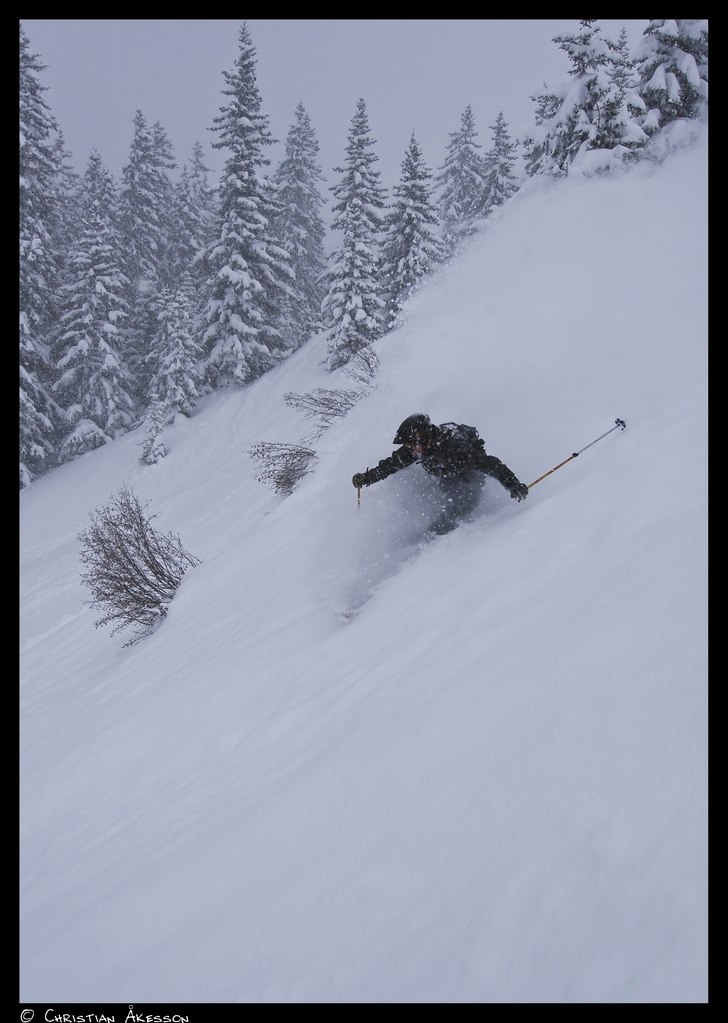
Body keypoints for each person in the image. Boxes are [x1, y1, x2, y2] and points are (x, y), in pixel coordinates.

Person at [352, 413, 529, 536]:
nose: (412, 449)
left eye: (412, 444)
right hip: (445, 480)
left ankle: (440, 550)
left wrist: (513, 485)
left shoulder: (455, 445)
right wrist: (367, 478)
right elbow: (392, 464)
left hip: (468, 484)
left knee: (448, 520)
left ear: (423, 436)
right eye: (408, 446)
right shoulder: (418, 448)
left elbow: (490, 464)